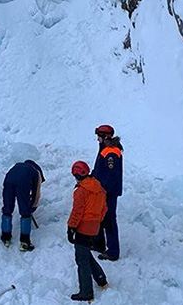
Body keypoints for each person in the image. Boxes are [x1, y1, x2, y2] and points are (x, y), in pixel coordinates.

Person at [67, 161, 108, 302]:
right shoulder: (99, 187)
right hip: (95, 227)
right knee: (86, 254)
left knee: (81, 260)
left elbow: (77, 212)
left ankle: (86, 292)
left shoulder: (81, 191)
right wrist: (97, 221)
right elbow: (104, 209)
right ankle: (101, 278)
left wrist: (71, 227)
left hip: (83, 227)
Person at [92, 124, 124, 261]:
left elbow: (110, 176)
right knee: (100, 217)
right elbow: (100, 170)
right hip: (103, 191)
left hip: (108, 192)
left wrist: (101, 189)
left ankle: (113, 251)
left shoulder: (111, 152)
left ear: (105, 137)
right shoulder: (105, 149)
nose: (97, 139)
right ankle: (99, 244)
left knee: (109, 219)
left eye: (98, 136)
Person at [0, 160, 45, 251]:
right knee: (25, 212)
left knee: (7, 208)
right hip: (23, 183)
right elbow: (36, 194)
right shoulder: (37, 173)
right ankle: (25, 242)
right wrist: (31, 208)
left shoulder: (17, 166)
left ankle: (6, 236)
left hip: (8, 180)